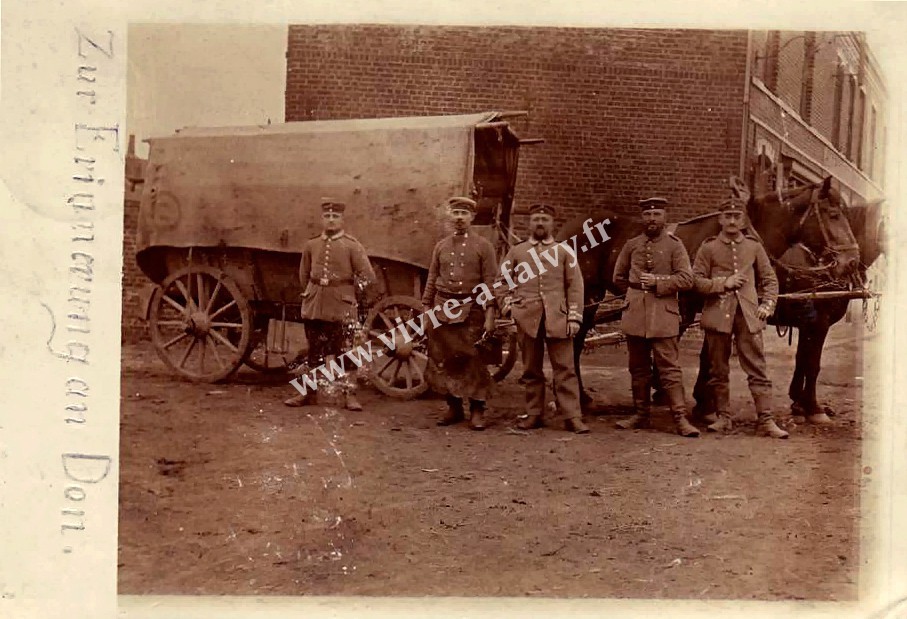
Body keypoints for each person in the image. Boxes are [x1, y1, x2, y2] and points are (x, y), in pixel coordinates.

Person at [691, 195, 788, 438]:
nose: (732, 221)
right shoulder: (708, 247)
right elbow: (695, 281)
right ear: (720, 219)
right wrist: (724, 283)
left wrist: (768, 304)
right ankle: (724, 418)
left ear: (743, 220)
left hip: (748, 315)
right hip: (717, 314)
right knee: (718, 369)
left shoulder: (754, 246)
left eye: (737, 216)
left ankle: (766, 420)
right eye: (727, 216)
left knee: (757, 367)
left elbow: (769, 279)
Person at [497, 203, 589, 434]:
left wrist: (574, 317)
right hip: (527, 319)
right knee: (530, 370)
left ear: (552, 223)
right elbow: (501, 284)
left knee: (565, 368)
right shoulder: (517, 252)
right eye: (536, 219)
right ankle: (534, 413)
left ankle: (572, 416)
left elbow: (575, 286)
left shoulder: (564, 252)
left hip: (558, 318)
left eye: (544, 219)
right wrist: (509, 308)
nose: (540, 223)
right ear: (529, 223)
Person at [612, 197, 700, 437]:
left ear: (665, 218)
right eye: (648, 215)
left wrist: (658, 283)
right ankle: (641, 414)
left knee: (669, 369)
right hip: (636, 315)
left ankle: (680, 419)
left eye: (657, 214)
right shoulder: (631, 245)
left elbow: (686, 279)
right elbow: (618, 277)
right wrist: (633, 297)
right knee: (638, 368)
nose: (652, 219)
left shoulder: (675, 246)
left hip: (664, 314)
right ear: (643, 218)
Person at [284, 198, 376, 410]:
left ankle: (349, 394)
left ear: (342, 220)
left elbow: (368, 277)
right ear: (322, 219)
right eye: (327, 216)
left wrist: (352, 296)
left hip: (342, 307)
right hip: (315, 305)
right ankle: (307, 393)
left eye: (335, 217)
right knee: (314, 351)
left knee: (345, 352)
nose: (331, 220)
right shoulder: (311, 245)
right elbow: (303, 274)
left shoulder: (353, 246)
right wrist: (311, 293)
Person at [422, 196, 498, 430]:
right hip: (442, 309)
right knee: (444, 360)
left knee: (473, 360)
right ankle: (453, 407)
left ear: (472, 217)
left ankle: (477, 409)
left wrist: (489, 315)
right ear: (450, 216)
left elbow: (489, 283)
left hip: (472, 311)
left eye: (464, 214)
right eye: (455, 213)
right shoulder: (441, 246)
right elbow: (432, 279)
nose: (459, 218)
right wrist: (426, 308)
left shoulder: (484, 247)